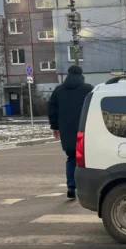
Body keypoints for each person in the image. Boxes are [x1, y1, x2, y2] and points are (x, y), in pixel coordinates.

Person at [48, 65, 93, 198]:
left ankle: (71, 186)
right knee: (86, 159)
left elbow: (52, 110)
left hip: (66, 131)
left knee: (71, 158)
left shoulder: (58, 90)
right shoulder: (88, 89)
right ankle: (86, 187)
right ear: (81, 75)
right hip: (85, 130)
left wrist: (55, 127)